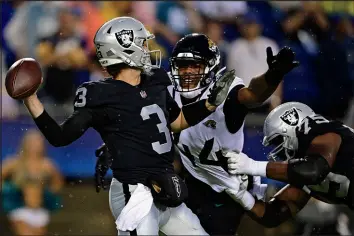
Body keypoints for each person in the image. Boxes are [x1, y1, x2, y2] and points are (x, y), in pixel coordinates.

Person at [16, 17, 237, 235]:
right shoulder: (99, 94)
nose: (147, 48)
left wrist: (208, 104)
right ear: (124, 49)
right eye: (142, 43)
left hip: (166, 185)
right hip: (134, 192)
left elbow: (176, 122)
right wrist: (31, 99)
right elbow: (60, 137)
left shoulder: (155, 80)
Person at [95, 33, 300, 234]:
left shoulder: (224, 91)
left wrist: (272, 76)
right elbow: (140, 118)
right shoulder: (167, 88)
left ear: (211, 67)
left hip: (224, 187)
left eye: (195, 65)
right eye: (183, 66)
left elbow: (253, 94)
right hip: (190, 178)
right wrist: (115, 145)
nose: (188, 72)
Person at [226, 102, 354, 227]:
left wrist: (253, 166)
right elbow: (274, 216)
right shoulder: (305, 173)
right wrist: (243, 196)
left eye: (279, 141)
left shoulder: (322, 131)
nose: (280, 150)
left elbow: (313, 170)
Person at [1, 129, 63, 236]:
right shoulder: (14, 162)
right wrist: (9, 190)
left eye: (38, 143)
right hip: (18, 207)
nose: (35, 146)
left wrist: (46, 193)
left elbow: (58, 183)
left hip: (40, 208)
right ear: (25, 144)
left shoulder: (48, 165)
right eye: (33, 143)